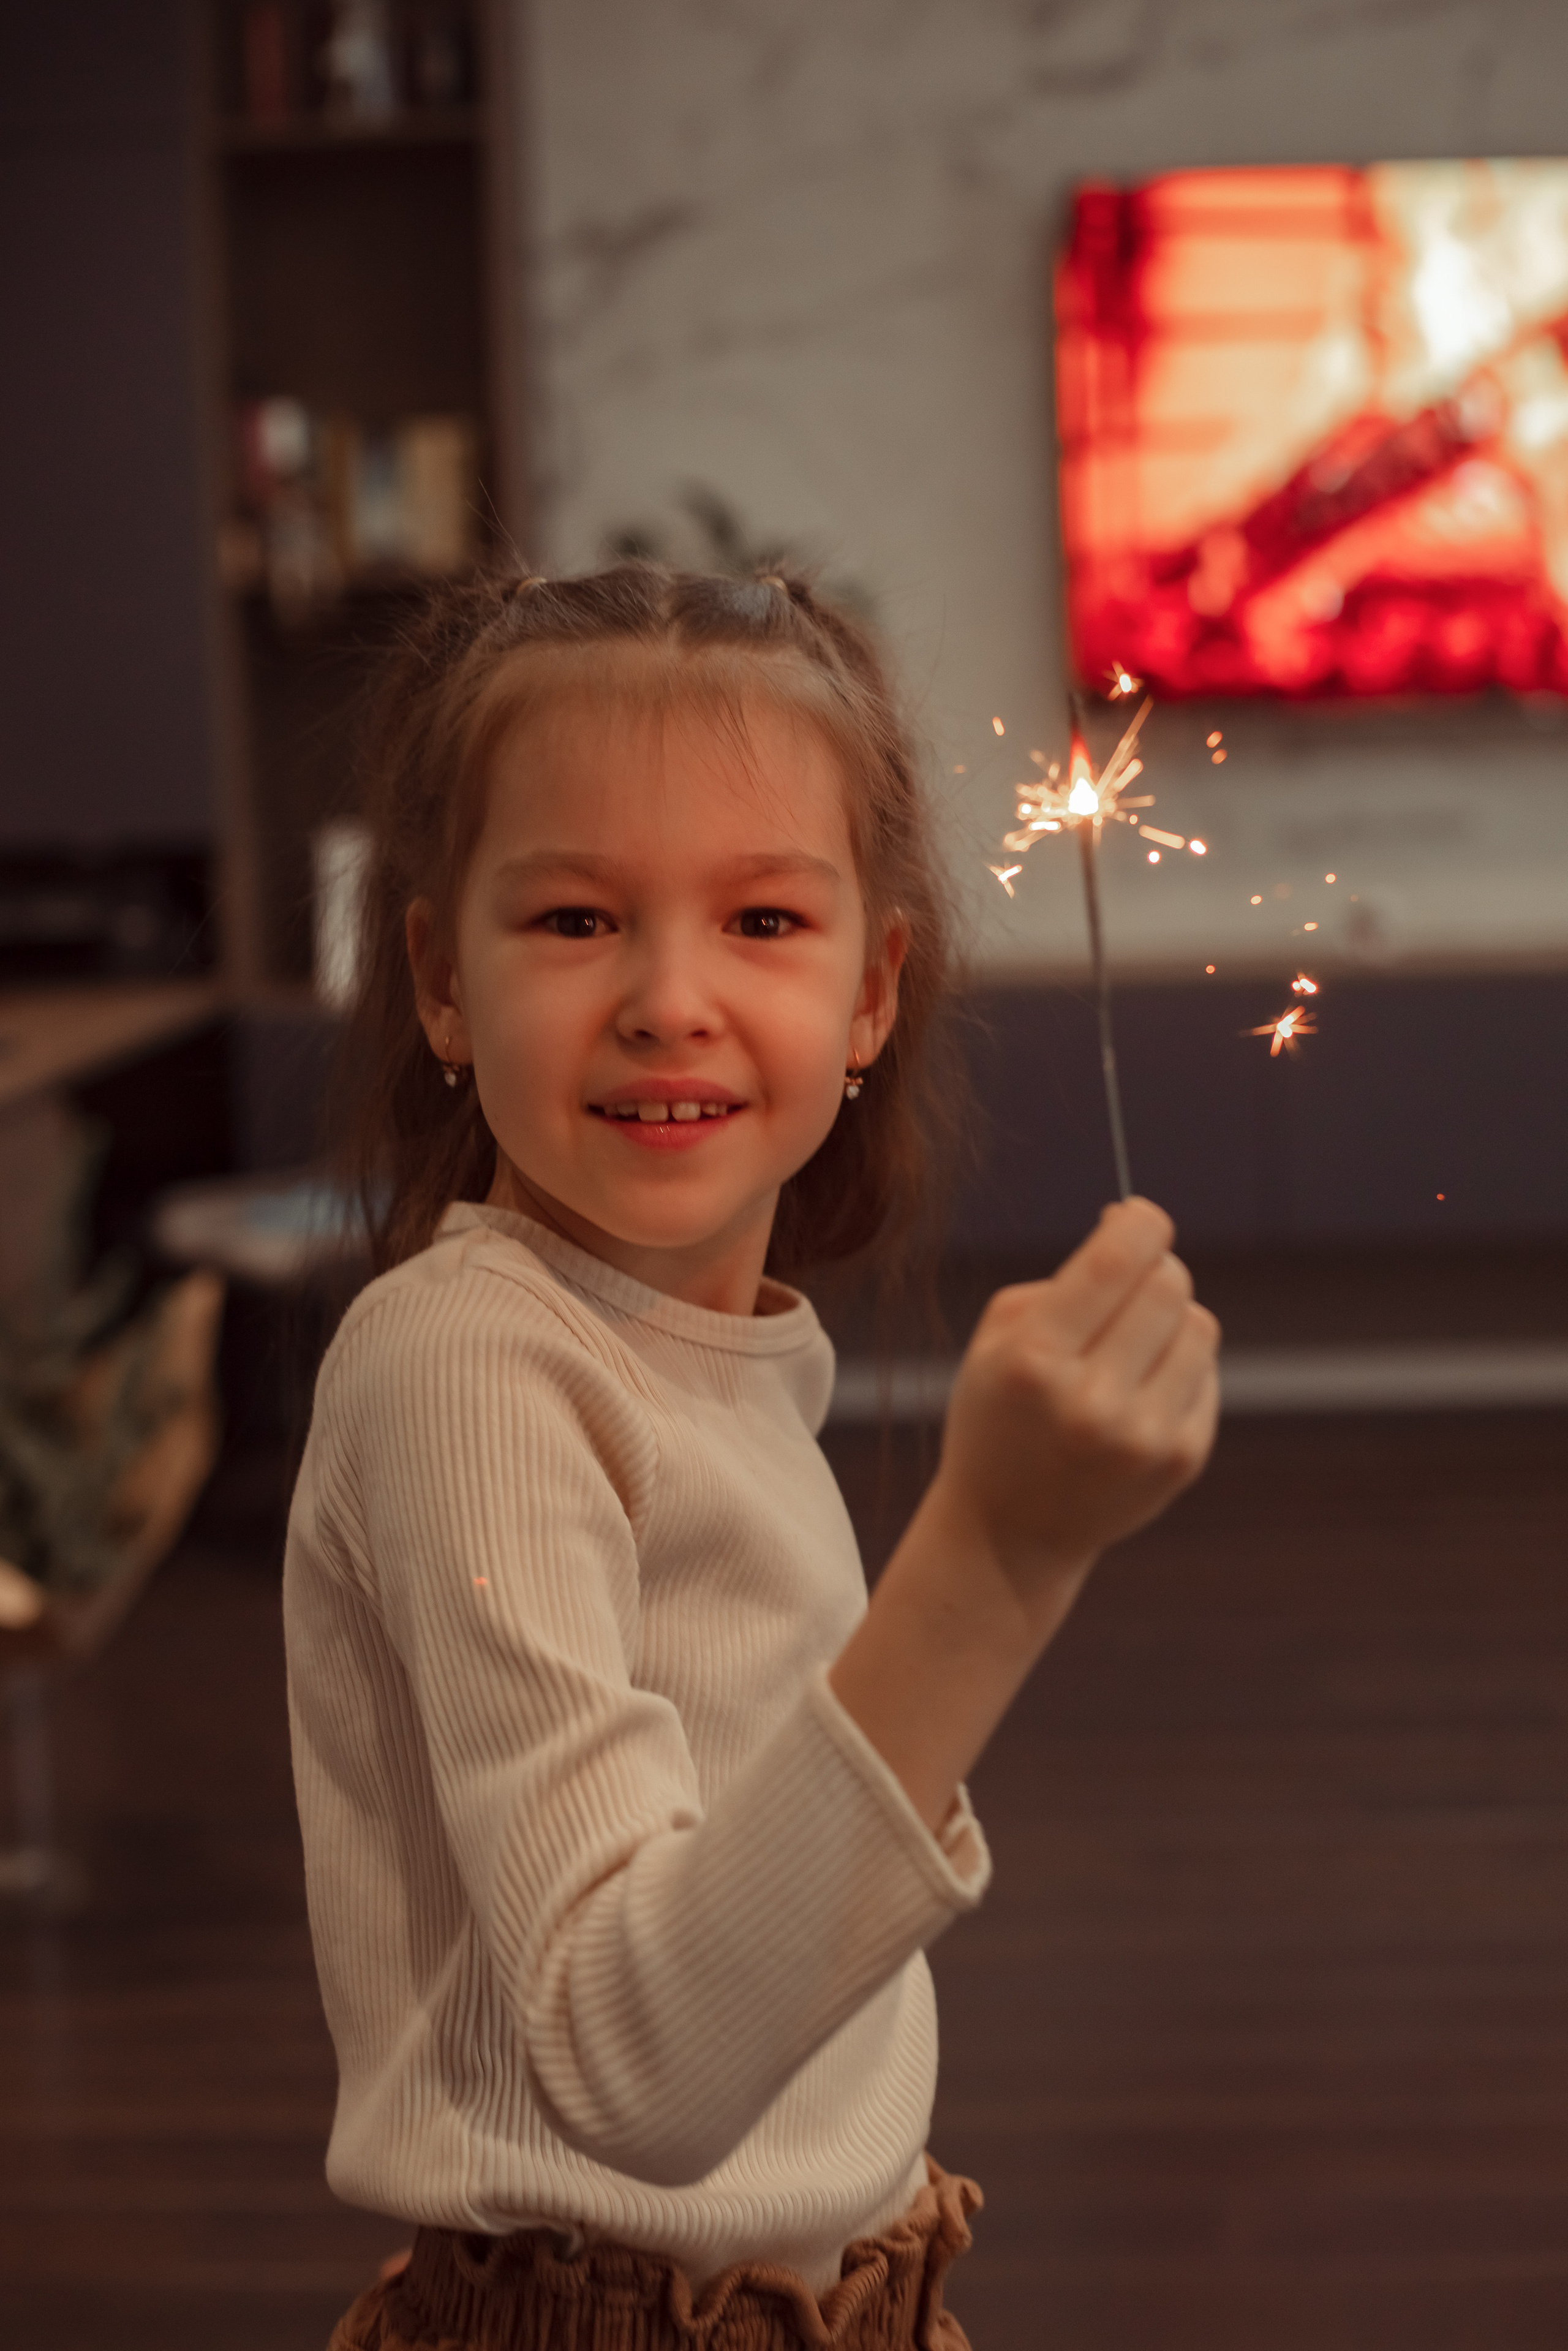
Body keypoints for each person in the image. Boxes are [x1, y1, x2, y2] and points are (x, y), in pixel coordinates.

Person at [284, 564, 1220, 2351]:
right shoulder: (467, 1371)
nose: (668, 999)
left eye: (763, 925)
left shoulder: (709, 1356)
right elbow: (637, 2065)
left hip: (859, 2290)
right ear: (437, 976)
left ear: (874, 991)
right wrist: (1002, 1556)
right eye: (574, 923)